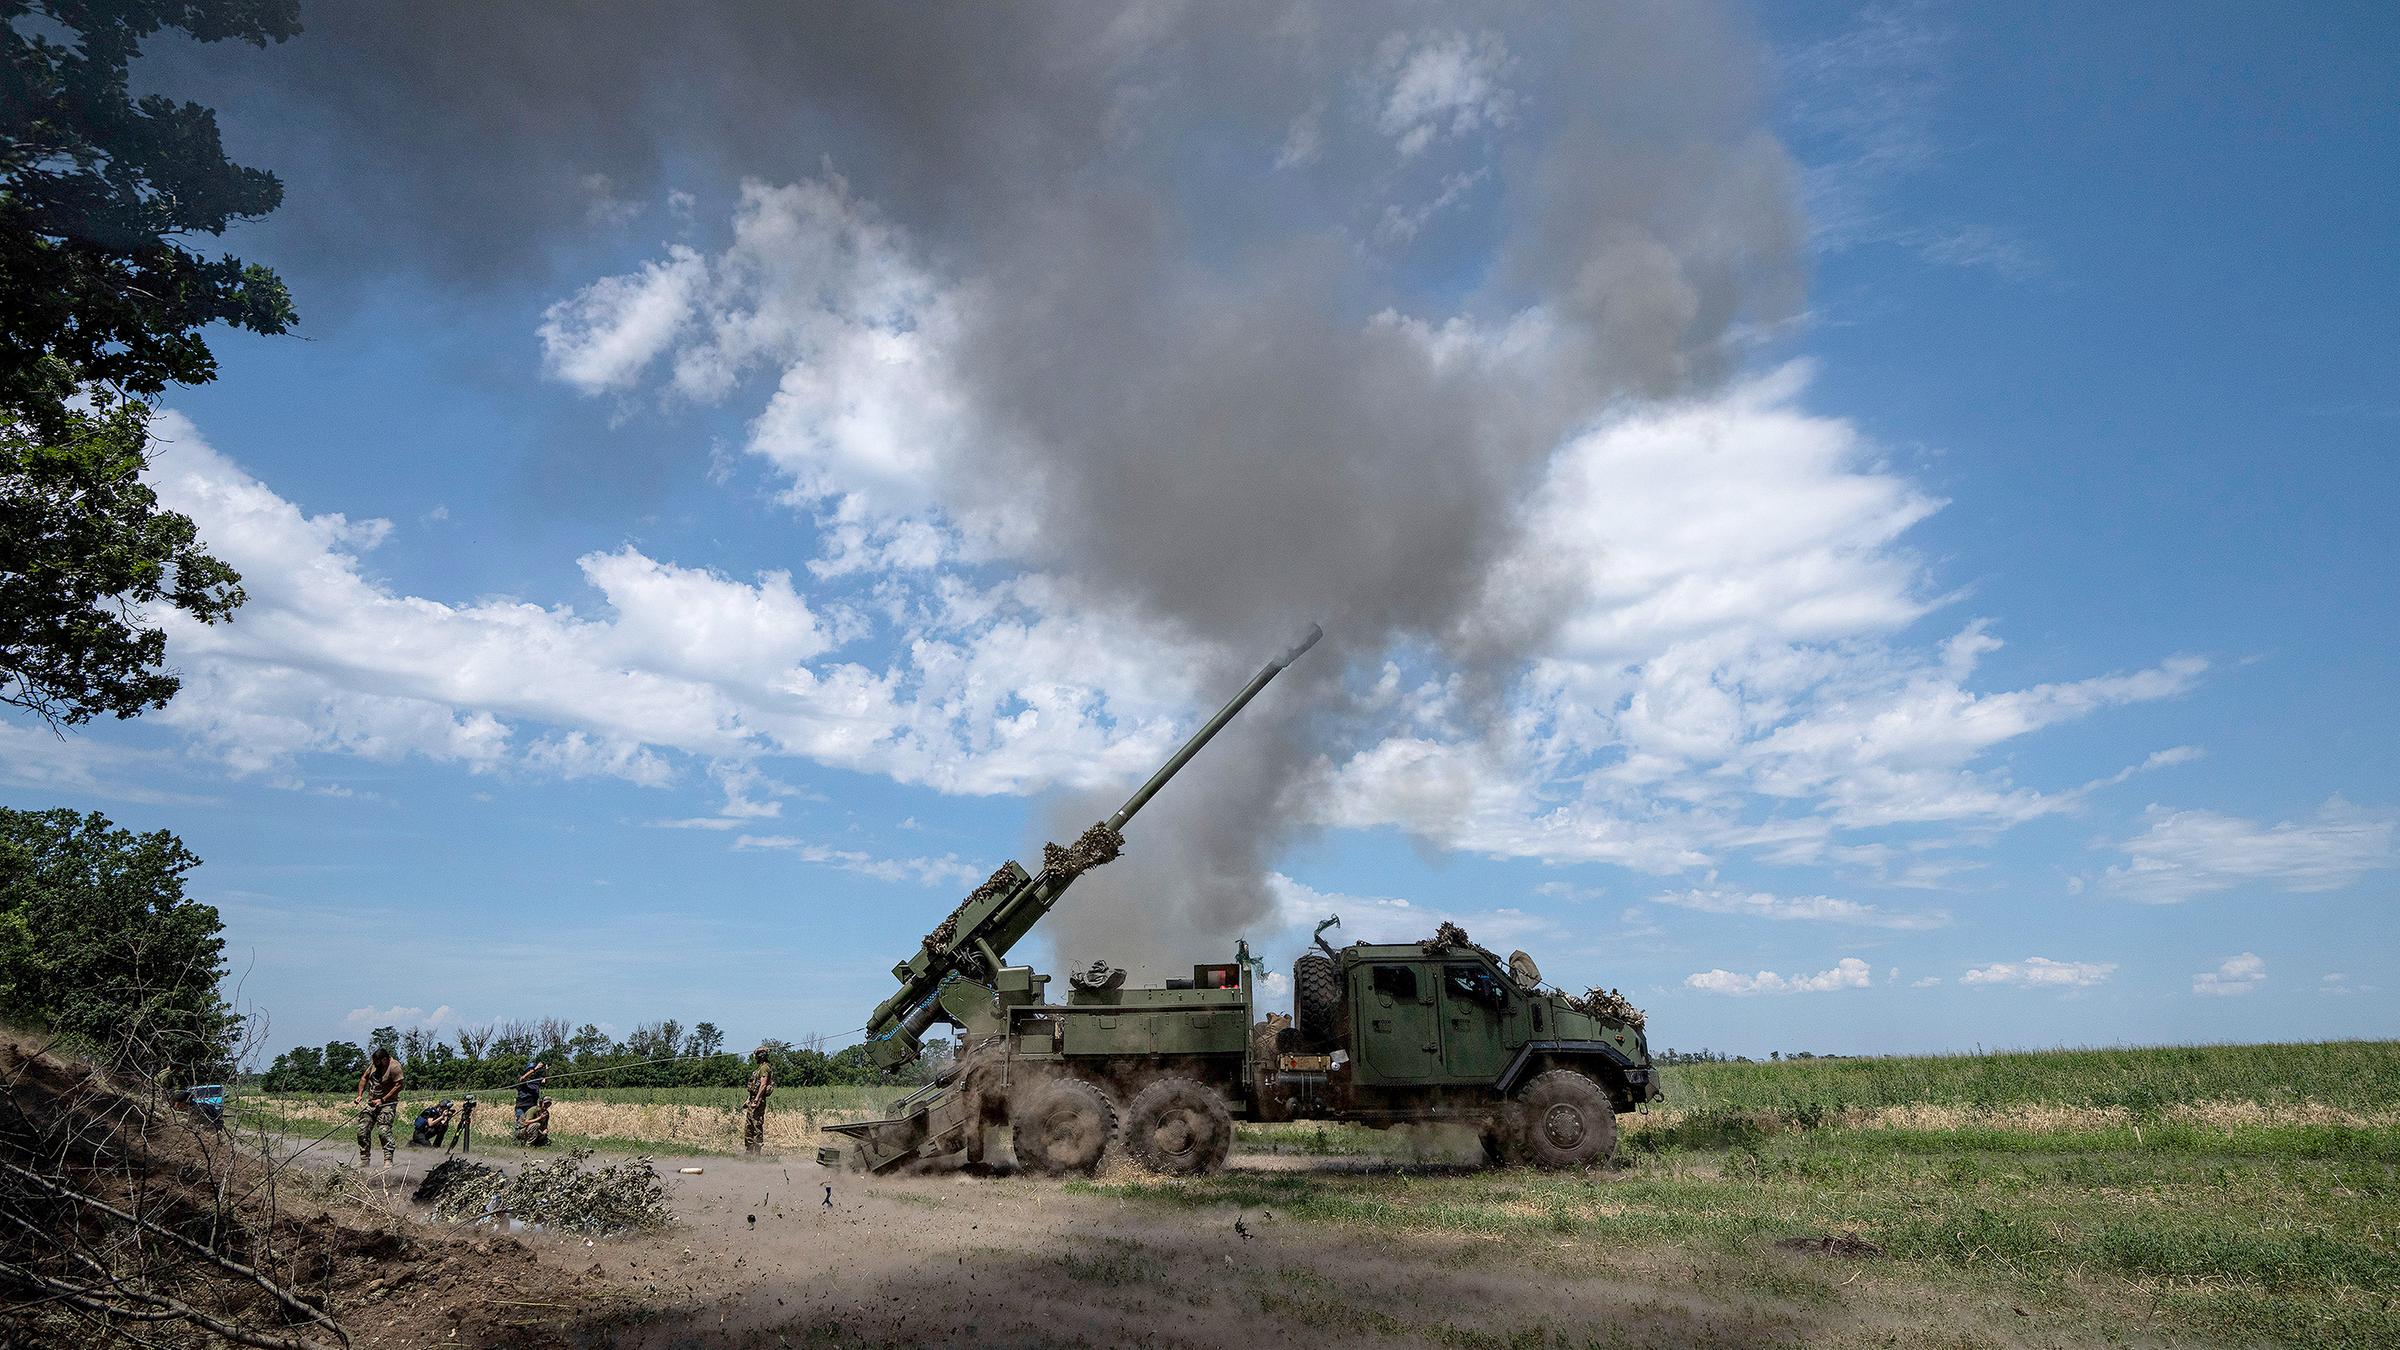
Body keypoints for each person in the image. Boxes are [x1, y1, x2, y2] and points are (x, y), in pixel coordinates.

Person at [355, 1047, 404, 1167]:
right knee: (362, 1129)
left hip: (387, 1104)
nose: (376, 1065)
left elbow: (399, 1085)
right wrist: (359, 1095)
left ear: (385, 1059)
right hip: (372, 1103)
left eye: (378, 1062)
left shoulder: (394, 1067)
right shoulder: (374, 1065)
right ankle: (364, 1159)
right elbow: (364, 1078)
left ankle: (388, 1159)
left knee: (383, 1130)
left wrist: (383, 1100)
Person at [743, 1047, 773, 1153]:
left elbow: (763, 1084)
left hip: (758, 1101)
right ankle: (749, 1151)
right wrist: (749, 1100)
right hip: (753, 1099)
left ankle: (756, 1153)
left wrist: (756, 1100)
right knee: (749, 1126)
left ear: (761, 1056)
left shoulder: (765, 1068)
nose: (755, 1057)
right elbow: (754, 1086)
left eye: (757, 1056)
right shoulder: (759, 1068)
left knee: (756, 1126)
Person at [514, 1059, 547, 1129]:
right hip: (522, 1107)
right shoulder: (521, 1079)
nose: (532, 1072)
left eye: (532, 1071)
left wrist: (546, 1070)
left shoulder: (536, 1081)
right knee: (521, 1125)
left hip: (532, 1107)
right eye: (530, 1070)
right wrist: (535, 1068)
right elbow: (524, 1078)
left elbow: (545, 1081)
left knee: (533, 1124)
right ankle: (518, 1138)